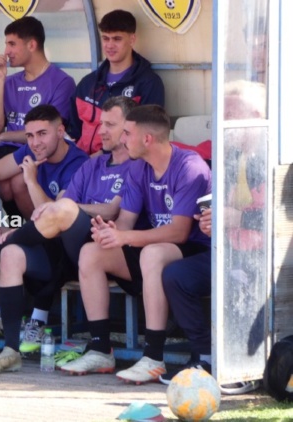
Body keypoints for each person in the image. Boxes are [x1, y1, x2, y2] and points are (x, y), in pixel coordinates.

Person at [0, 97, 137, 369]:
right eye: (101, 124)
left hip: (108, 249)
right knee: (13, 255)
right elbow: (52, 206)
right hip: (67, 249)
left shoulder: (135, 165)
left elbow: (110, 211)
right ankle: (10, 350)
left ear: (130, 128)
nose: (101, 131)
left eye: (110, 125)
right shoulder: (93, 165)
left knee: (62, 209)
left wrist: (61, 204)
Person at [60, 105, 211, 384]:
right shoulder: (139, 167)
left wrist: (125, 238)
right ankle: (100, 349)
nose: (122, 138)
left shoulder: (189, 167)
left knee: (152, 254)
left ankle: (153, 358)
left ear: (147, 139)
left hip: (195, 251)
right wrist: (110, 233)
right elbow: (126, 223)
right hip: (154, 248)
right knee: (92, 252)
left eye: (127, 133)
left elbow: (179, 232)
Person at [158, 81, 266, 395]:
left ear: (256, 117)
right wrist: (211, 223)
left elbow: (283, 217)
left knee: (239, 278)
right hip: (230, 251)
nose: (223, 124)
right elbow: (223, 210)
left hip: (266, 260)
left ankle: (244, 367)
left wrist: (239, 219)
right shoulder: (230, 156)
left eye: (230, 116)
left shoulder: (275, 156)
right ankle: (205, 355)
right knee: (176, 276)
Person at [0, 16, 76, 183]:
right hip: (5, 153)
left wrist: (4, 137)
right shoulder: (9, 82)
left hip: (37, 153)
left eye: (12, 44)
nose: (6, 52)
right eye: (6, 45)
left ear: (31, 45)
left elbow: (53, 133)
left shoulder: (62, 82)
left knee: (12, 181)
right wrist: (0, 80)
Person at [69, 9, 164, 156]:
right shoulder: (88, 83)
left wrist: (101, 157)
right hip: (82, 161)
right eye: (105, 38)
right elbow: (73, 130)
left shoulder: (148, 84)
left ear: (132, 39)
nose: (110, 45)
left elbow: (146, 136)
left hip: (121, 162)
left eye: (117, 39)